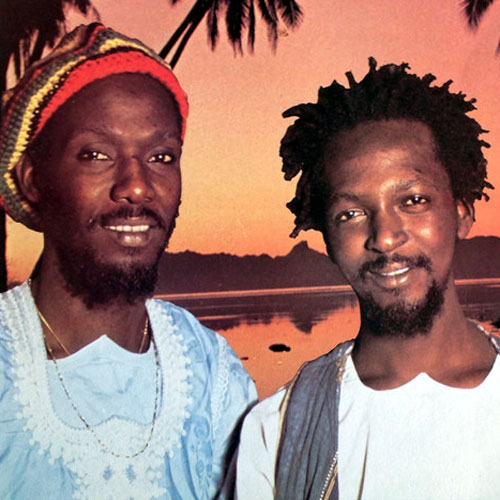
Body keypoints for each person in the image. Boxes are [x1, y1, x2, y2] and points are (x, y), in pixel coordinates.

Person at [0, 23, 256, 500]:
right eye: (96, 154)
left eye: (161, 156)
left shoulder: (212, 375)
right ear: (33, 180)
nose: (137, 186)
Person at [235, 58, 498, 499]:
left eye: (413, 200)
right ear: (326, 238)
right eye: (351, 213)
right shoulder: (275, 435)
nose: (384, 236)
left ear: (461, 214)